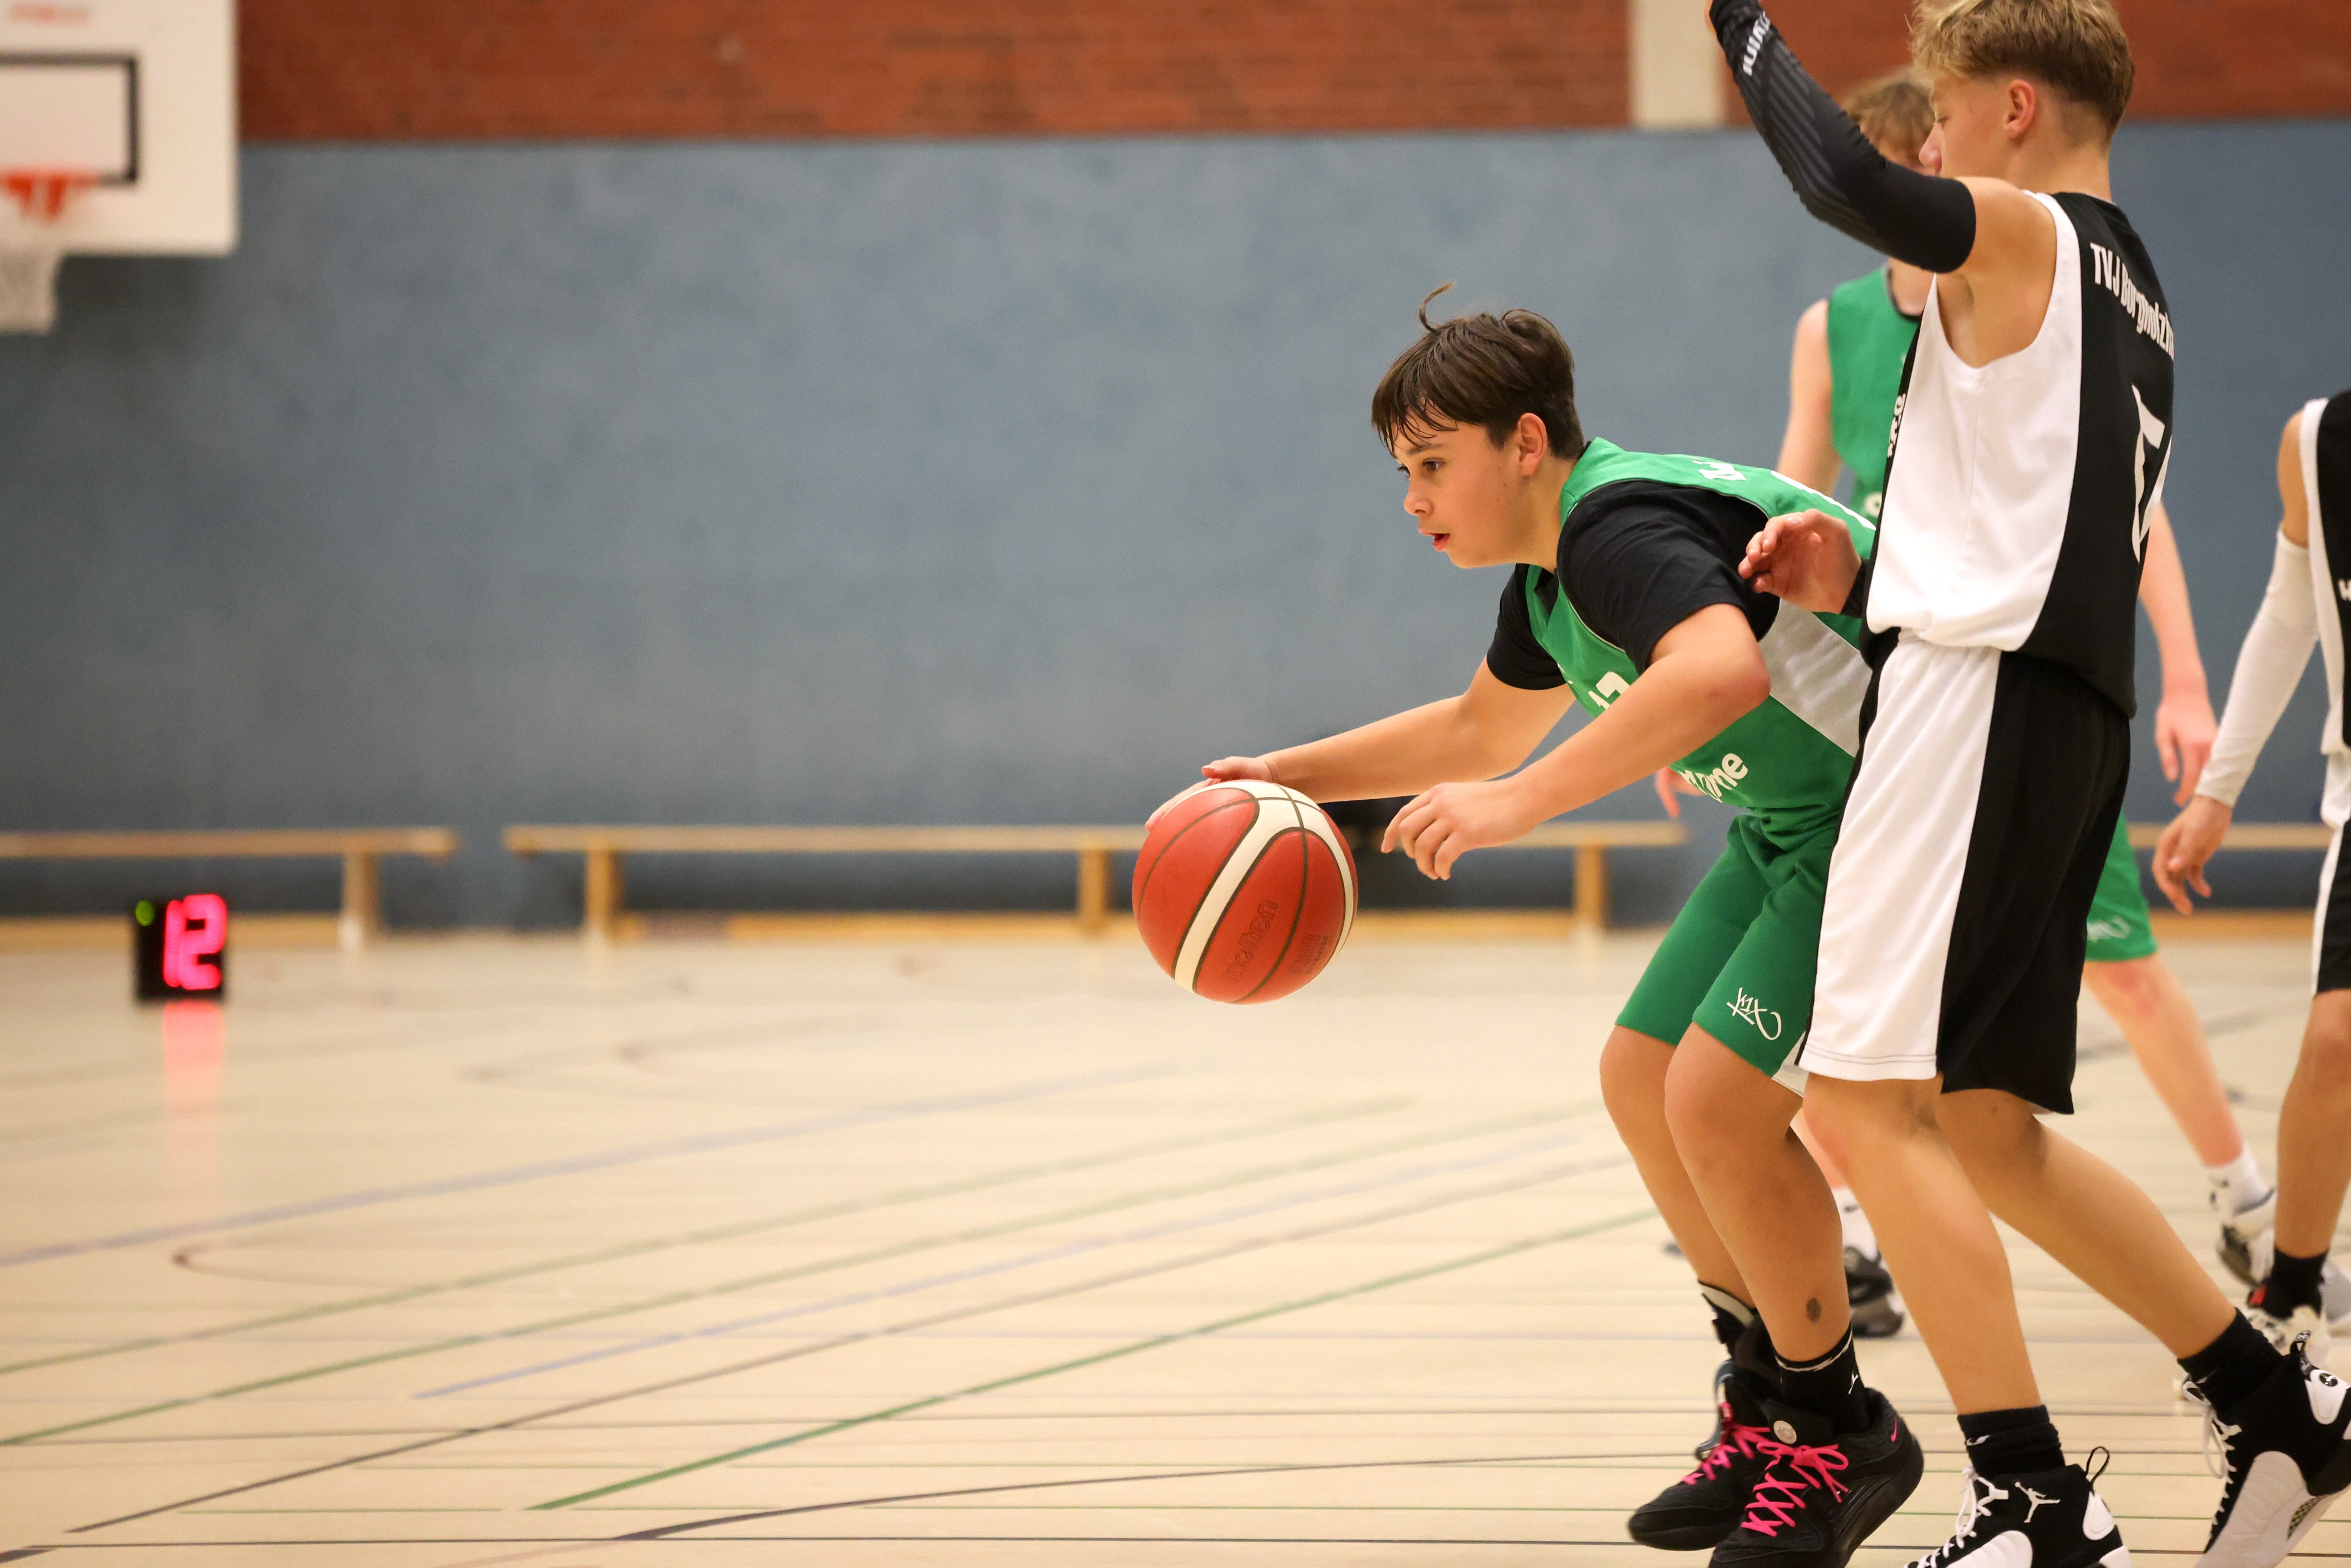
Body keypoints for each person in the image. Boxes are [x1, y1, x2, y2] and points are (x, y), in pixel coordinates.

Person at [1714, 1, 2351, 1565]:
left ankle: (2032, 1497)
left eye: (1937, 114)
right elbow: (2026, 519)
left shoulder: (2024, 229)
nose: (1924, 145)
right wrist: (1866, 564)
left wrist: (1736, 20)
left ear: (2012, 107)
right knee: (1986, 1125)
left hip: (1977, 700)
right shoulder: (2137, 287)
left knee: (1859, 1104)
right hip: (2059, 710)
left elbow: (1838, 179)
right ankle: (2272, 1397)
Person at [1200, 290, 1922, 1565]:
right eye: (1402, 474)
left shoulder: (1615, 526)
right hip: (1798, 824)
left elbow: (1718, 671)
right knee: (1643, 1073)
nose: (1413, 498)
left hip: (1893, 808)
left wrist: (1520, 803)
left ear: (1525, 443)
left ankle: (1838, 1429)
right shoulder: (1548, 583)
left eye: (1433, 465)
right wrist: (1287, 775)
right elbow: (1480, 728)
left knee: (1718, 1102)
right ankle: (1766, 1395)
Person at [1754, 65, 2301, 1324]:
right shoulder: (1848, 324)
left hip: (1993, 682)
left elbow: (2128, 514)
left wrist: (2186, 676)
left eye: (1929, 139)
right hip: (1916, 674)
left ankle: (2241, 1200)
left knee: (2054, 1011)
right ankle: (1868, 1244)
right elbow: (1802, 495)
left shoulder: (2029, 255)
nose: (1926, 161)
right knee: (1938, 1090)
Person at [2158, 391, 2351, 1362]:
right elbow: (2287, 615)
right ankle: (2293, 1285)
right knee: (2335, 1040)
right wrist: (2216, 791)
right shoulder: (2317, 442)